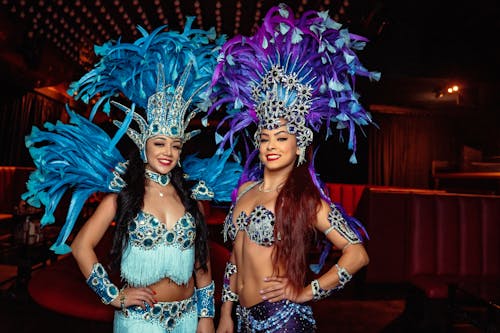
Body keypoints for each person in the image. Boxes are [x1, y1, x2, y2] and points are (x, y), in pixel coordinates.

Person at [22, 19, 231, 333]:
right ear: (143, 144)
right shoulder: (122, 193)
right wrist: (114, 296)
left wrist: (205, 316)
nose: (167, 152)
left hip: (188, 316)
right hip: (140, 319)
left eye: (175, 146)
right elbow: (81, 247)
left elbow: (201, 259)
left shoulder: (191, 193)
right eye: (159, 143)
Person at [207, 4, 380, 332]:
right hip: (241, 320)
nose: (271, 145)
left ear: (299, 145)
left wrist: (306, 291)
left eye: (281, 138)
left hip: (281, 320)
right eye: (265, 138)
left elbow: (357, 254)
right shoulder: (245, 191)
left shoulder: (305, 198)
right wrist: (226, 314)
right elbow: (235, 260)